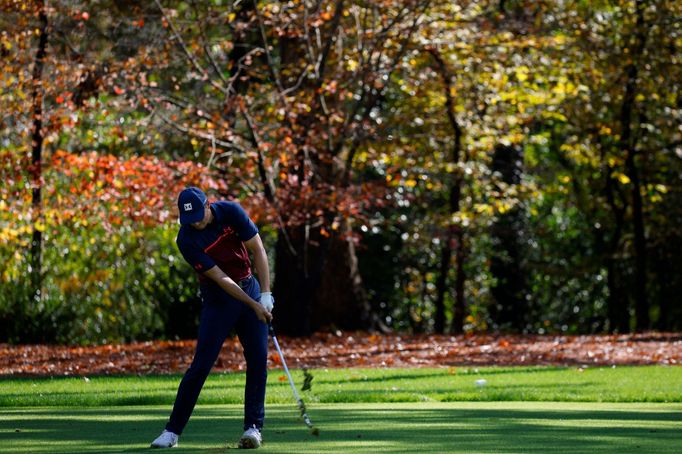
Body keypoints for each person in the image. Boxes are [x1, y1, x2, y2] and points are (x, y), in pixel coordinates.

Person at [150, 187, 274, 449]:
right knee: (201, 365)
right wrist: (253, 305)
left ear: (208, 205)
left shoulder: (231, 212)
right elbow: (220, 278)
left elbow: (258, 249)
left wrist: (265, 294)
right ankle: (172, 432)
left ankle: (253, 428)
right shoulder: (186, 240)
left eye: (198, 215)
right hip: (218, 299)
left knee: (257, 360)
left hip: (249, 285)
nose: (195, 222)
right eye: (189, 219)